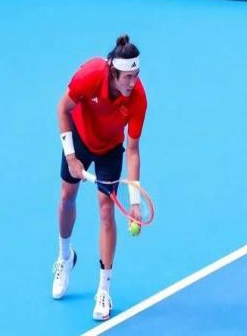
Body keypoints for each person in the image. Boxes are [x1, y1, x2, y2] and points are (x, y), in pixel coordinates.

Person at [52, 34, 147, 321]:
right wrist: (71, 157)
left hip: (110, 150)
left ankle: (104, 289)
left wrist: (134, 201)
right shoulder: (91, 74)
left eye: (136, 76)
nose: (133, 83)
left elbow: (133, 150)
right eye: (127, 77)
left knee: (106, 211)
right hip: (80, 138)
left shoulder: (138, 99)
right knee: (67, 197)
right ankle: (65, 257)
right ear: (113, 73)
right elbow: (63, 108)